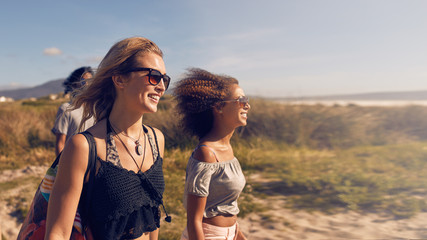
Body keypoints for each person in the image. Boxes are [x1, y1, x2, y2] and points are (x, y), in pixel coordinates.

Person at [45, 36, 171, 240]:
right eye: (154, 76)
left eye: (165, 79)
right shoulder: (84, 146)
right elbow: (57, 233)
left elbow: (151, 219)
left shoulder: (157, 140)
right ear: (120, 79)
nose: (162, 87)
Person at [174, 68, 249, 240]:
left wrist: (238, 234)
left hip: (231, 233)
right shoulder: (205, 154)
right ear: (219, 107)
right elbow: (194, 221)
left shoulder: (228, 149)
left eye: (247, 100)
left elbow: (225, 205)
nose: (247, 105)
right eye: (241, 100)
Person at [51, 66, 95, 156]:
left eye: (90, 81)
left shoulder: (96, 109)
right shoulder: (66, 109)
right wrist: (61, 166)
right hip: (72, 161)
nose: (87, 84)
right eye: (83, 81)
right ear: (75, 84)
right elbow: (60, 143)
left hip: (93, 162)